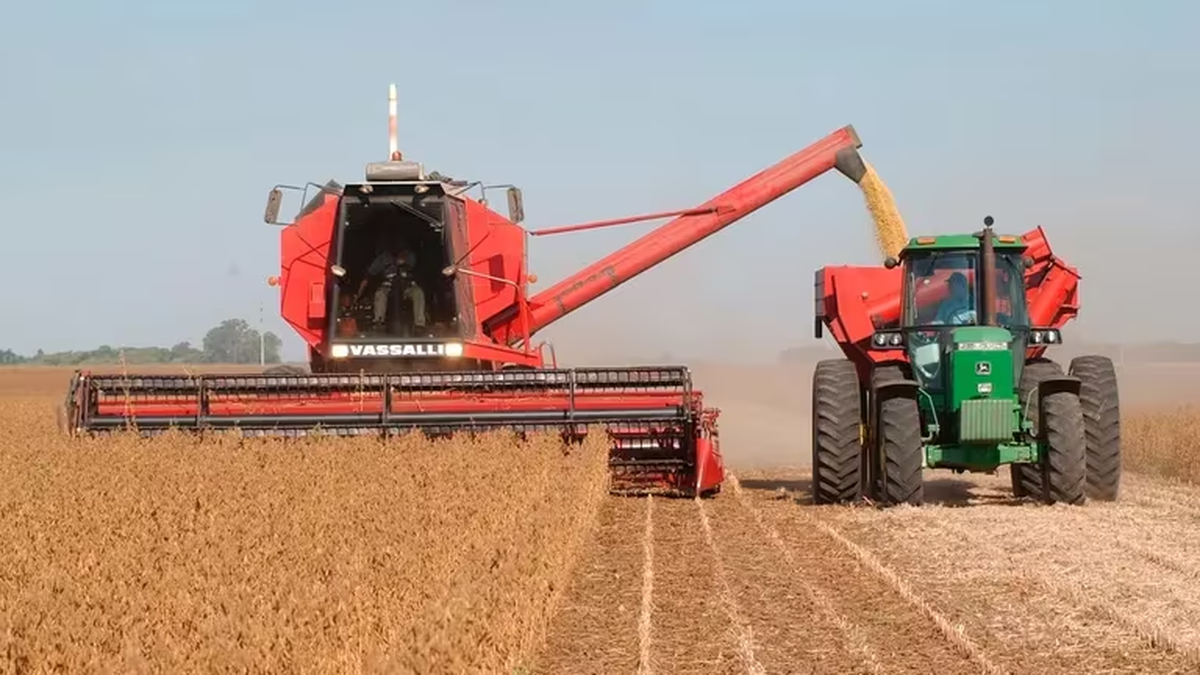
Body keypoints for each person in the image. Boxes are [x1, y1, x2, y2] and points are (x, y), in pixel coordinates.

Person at [354, 244, 427, 334]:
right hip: (388, 286)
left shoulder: (410, 255)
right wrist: (359, 293)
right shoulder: (383, 258)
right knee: (380, 293)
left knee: (418, 292)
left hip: (407, 286)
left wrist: (404, 263)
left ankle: (419, 324)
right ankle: (378, 322)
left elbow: (416, 267)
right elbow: (369, 275)